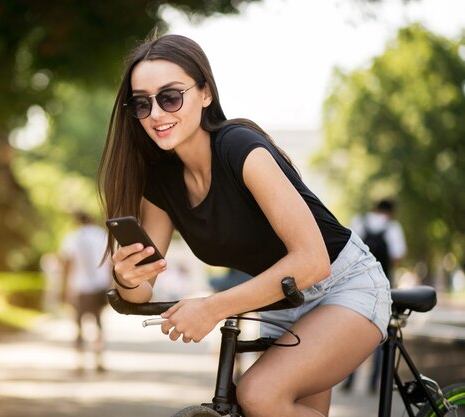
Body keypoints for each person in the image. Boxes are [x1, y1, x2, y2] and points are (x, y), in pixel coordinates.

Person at [97, 33, 392, 417]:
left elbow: (312, 261)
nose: (155, 113)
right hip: (282, 303)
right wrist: (128, 278)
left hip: (345, 284)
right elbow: (143, 288)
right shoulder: (162, 182)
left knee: (258, 395)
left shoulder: (240, 148)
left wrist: (212, 308)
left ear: (205, 93)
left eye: (170, 97)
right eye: (141, 103)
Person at [342, 198, 407, 394]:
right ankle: (372, 383)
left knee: (352, 333)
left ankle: (348, 378)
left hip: (357, 285)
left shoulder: (359, 221)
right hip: (383, 286)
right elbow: (398, 256)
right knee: (380, 333)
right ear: (391, 211)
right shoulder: (393, 227)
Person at [60, 210, 111, 373]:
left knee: (78, 324)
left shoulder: (72, 238)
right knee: (98, 323)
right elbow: (110, 263)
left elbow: (69, 265)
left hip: (80, 286)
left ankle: (79, 362)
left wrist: (66, 288)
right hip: (99, 286)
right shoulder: (102, 236)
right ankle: (99, 359)